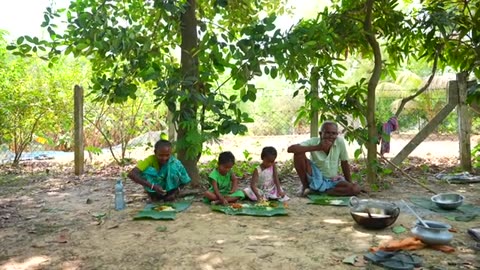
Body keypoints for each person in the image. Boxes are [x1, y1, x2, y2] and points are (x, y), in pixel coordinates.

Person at [287, 121, 361, 196]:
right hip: (316, 177)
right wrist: (318, 147)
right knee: (298, 154)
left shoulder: (339, 142)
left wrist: (349, 183)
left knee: (355, 189)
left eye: (333, 133)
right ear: (320, 134)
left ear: (337, 134)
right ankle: (306, 186)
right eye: (327, 133)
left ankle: (320, 191)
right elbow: (291, 149)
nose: (330, 136)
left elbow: (344, 162)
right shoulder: (314, 141)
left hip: (333, 180)